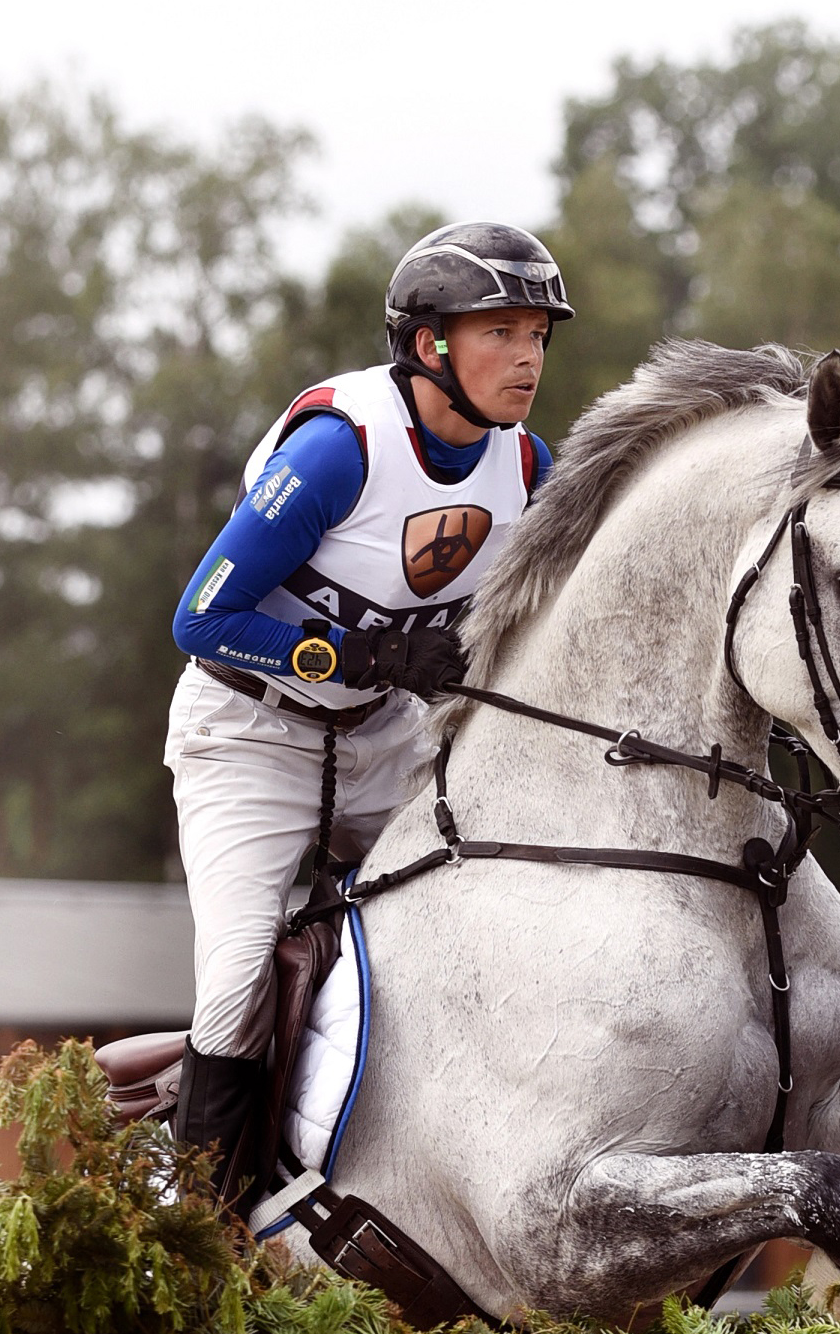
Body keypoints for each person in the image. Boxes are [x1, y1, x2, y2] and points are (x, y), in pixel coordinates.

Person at [165, 222, 573, 1199]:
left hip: (385, 740)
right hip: (248, 735)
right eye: (503, 332)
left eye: (540, 337)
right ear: (431, 344)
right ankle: (193, 1244)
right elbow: (199, 616)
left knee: (487, 935)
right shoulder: (336, 453)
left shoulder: (526, 468)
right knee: (232, 989)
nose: (528, 359)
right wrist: (371, 650)